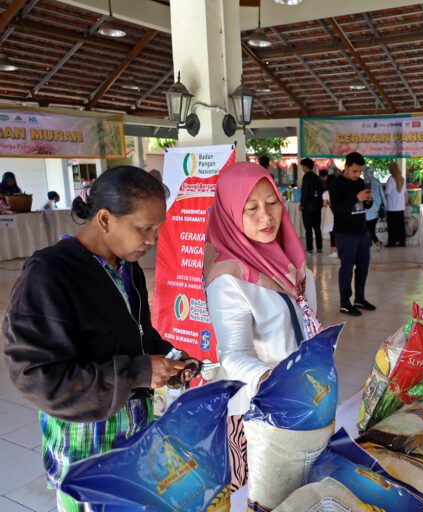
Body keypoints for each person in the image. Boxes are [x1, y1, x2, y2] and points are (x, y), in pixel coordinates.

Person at [3, 166, 187, 512]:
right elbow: (37, 379)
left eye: (156, 229)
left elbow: (137, 334)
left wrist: (170, 356)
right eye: (144, 228)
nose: (152, 240)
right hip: (85, 449)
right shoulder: (49, 273)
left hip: (132, 435)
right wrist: (137, 372)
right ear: (104, 219)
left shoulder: (125, 266)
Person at [204, 161, 322, 490]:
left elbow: (303, 322)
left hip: (302, 399)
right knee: (265, 496)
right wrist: (278, 383)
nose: (266, 217)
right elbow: (234, 355)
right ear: (229, 212)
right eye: (250, 208)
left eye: (271, 203)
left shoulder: (289, 260)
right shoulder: (229, 277)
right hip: (259, 413)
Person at [329, 152, 376, 316]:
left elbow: (366, 207)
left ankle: (360, 298)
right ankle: (344, 303)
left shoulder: (361, 182)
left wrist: (368, 200)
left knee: (363, 267)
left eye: (360, 172)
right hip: (345, 233)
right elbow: (337, 210)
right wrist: (356, 197)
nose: (357, 175)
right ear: (346, 167)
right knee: (347, 269)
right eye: (354, 171)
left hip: (362, 232)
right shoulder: (336, 184)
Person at [299, 158, 324, 253]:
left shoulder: (306, 177)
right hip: (317, 206)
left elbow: (305, 192)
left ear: (305, 166)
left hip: (308, 207)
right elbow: (321, 190)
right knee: (317, 228)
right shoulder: (316, 177)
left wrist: (302, 204)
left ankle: (310, 248)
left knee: (308, 228)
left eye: (302, 166)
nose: (302, 168)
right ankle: (319, 248)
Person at [384, 162, 407, 247]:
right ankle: (402, 242)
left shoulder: (391, 179)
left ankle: (392, 242)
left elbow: (387, 192)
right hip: (400, 206)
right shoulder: (402, 179)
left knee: (392, 226)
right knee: (400, 225)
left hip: (392, 207)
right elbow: (404, 191)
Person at [364, 166, 386, 249]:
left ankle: (372, 243)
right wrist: (386, 208)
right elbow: (383, 196)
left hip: (365, 211)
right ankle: (375, 242)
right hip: (375, 211)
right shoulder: (377, 182)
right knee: (371, 229)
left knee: (366, 229)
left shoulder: (362, 183)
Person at [319, 169, 337, 258]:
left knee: (332, 233)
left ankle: (334, 252)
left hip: (330, 215)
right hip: (339, 215)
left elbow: (325, 205)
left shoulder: (326, 193)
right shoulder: (340, 191)